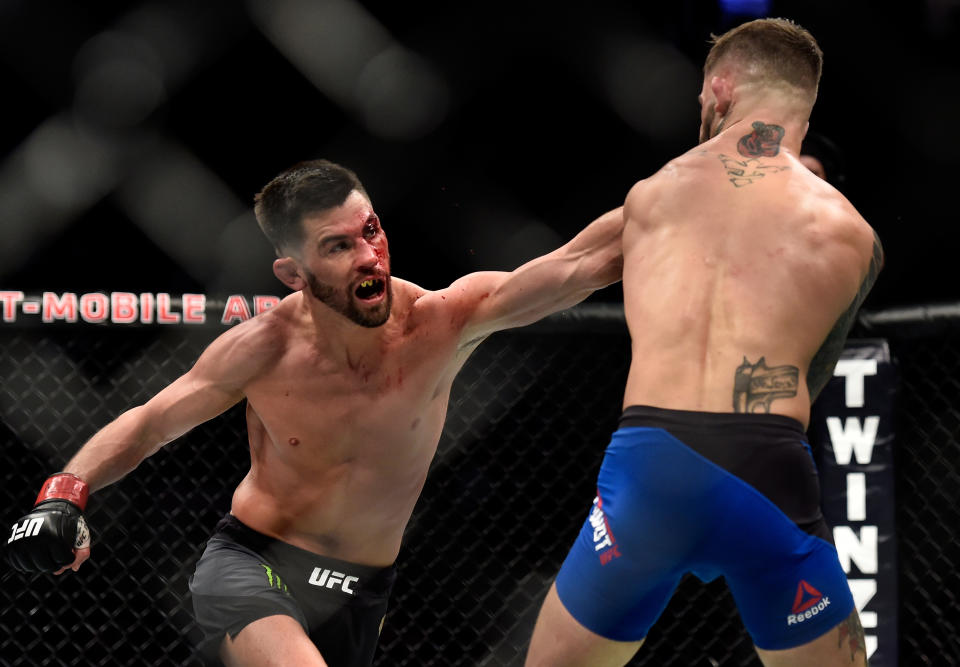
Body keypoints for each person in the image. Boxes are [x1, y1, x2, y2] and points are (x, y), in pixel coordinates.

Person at [6, 159, 624, 667]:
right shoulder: (264, 349)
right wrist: (63, 493)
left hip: (363, 589)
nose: (368, 256)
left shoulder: (442, 321)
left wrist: (689, 191)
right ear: (293, 274)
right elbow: (151, 419)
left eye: (371, 230)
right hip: (255, 565)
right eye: (338, 246)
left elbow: (578, 264)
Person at [525, 18, 881, 667]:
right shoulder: (853, 235)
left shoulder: (658, 193)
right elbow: (815, 371)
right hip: (767, 473)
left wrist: (442, 316)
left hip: (652, 466)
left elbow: (552, 277)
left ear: (719, 88)